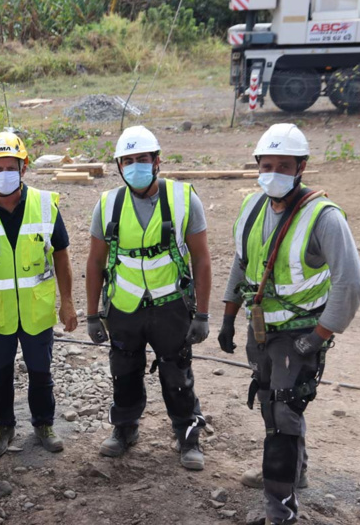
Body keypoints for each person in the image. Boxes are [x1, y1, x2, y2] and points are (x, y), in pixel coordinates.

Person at [218, 123, 360, 525]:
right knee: (270, 405)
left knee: (284, 412)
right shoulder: (252, 207)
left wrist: (320, 336)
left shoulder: (324, 217)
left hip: (300, 334)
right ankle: (293, 471)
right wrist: (229, 317)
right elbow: (241, 262)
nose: (274, 172)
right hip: (261, 329)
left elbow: (351, 282)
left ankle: (278, 507)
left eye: (285, 165)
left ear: (301, 167)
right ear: (257, 166)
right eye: (267, 165)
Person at [85, 125, 212, 470]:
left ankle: (188, 438)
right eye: (128, 161)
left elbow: (201, 259)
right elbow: (95, 262)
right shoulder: (107, 205)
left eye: (142, 159)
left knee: (177, 373)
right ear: (119, 166)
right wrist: (92, 315)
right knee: (124, 371)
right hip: (125, 308)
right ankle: (124, 430)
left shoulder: (185, 199)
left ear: (158, 161)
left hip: (171, 306)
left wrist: (202, 314)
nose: (135, 166)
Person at [0, 131, 77, 457]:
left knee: (41, 371)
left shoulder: (45, 205)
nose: (4, 174)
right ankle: (3, 426)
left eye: (10, 167)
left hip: (36, 309)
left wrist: (68, 301)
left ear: (24, 167)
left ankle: (43, 423)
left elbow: (61, 254)